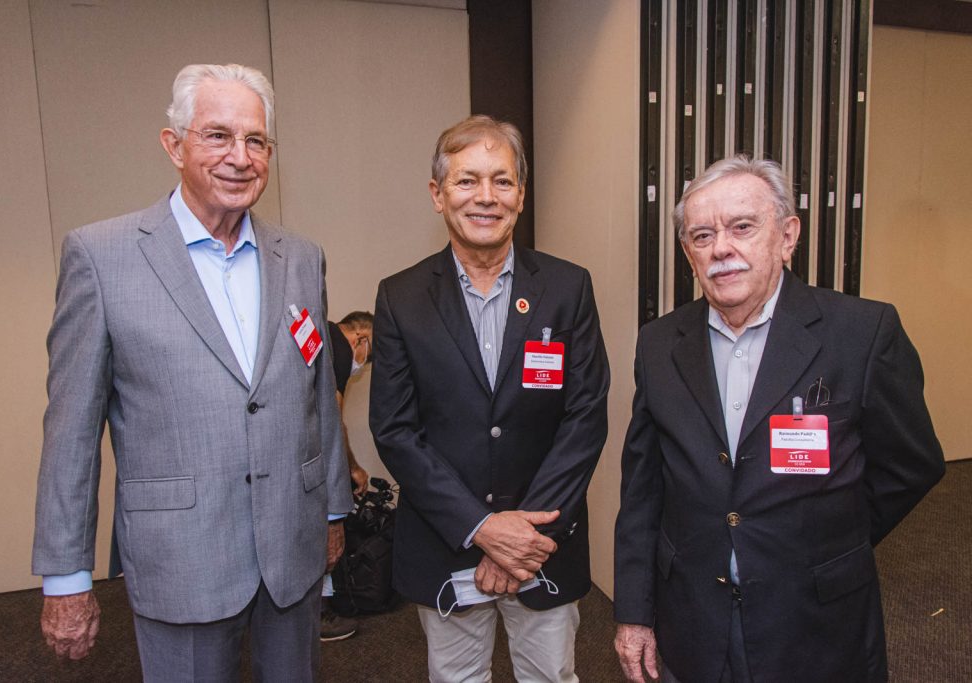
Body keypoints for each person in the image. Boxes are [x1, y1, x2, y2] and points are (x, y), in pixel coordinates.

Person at [32, 63, 352, 681]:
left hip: (292, 547)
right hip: (182, 556)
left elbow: (317, 394)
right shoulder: (101, 257)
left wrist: (333, 513)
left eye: (256, 140)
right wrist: (66, 576)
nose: (240, 156)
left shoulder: (301, 257)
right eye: (217, 136)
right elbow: (70, 431)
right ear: (173, 145)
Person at [613, 155, 945, 683]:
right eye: (702, 236)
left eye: (743, 227)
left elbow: (911, 465)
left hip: (815, 619)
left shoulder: (862, 333)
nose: (722, 248)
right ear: (688, 253)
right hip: (693, 617)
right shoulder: (658, 344)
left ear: (788, 236)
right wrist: (633, 611)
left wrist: (827, 538)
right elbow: (644, 490)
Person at [369, 115, 610, 682]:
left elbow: (585, 415)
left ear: (521, 196)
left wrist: (523, 538)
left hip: (544, 546)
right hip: (447, 543)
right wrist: (482, 527)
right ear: (437, 194)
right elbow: (396, 431)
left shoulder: (567, 287)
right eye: (466, 180)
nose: (486, 197)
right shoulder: (401, 297)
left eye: (502, 181)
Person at [320, 310, 374, 641]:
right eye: (368, 359)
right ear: (362, 340)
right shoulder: (339, 348)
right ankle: (319, 617)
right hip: (309, 463)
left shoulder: (321, 332)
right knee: (325, 533)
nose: (363, 366)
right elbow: (333, 422)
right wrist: (352, 467)